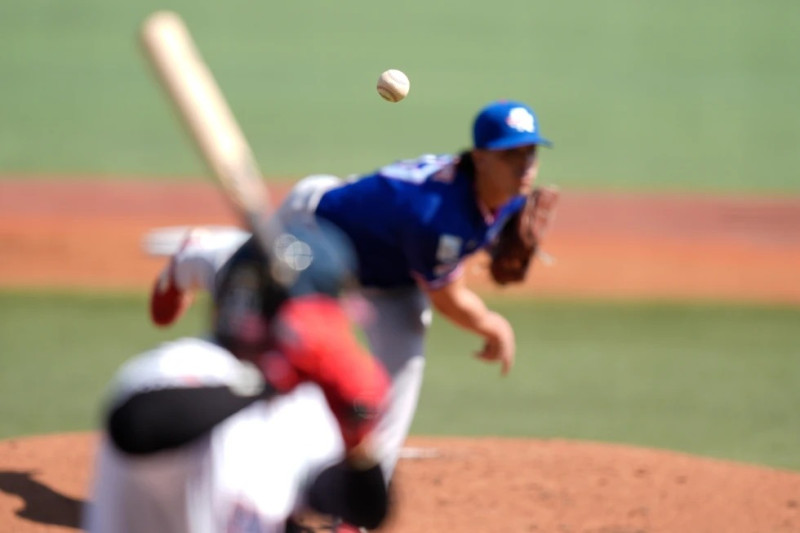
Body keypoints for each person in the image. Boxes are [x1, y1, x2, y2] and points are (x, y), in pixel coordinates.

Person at [151, 98, 553, 483]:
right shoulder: (435, 215)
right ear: (479, 157)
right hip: (318, 228)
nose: (524, 166)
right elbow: (449, 299)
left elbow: (462, 236)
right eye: (511, 155)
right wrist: (492, 326)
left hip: (387, 273)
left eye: (530, 153)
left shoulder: (505, 195)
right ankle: (198, 256)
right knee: (263, 298)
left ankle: (365, 486)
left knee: (406, 355)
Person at [83, 220, 392, 533]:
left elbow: (361, 510)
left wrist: (358, 436)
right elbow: (136, 426)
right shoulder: (178, 365)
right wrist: (273, 379)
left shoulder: (306, 399)